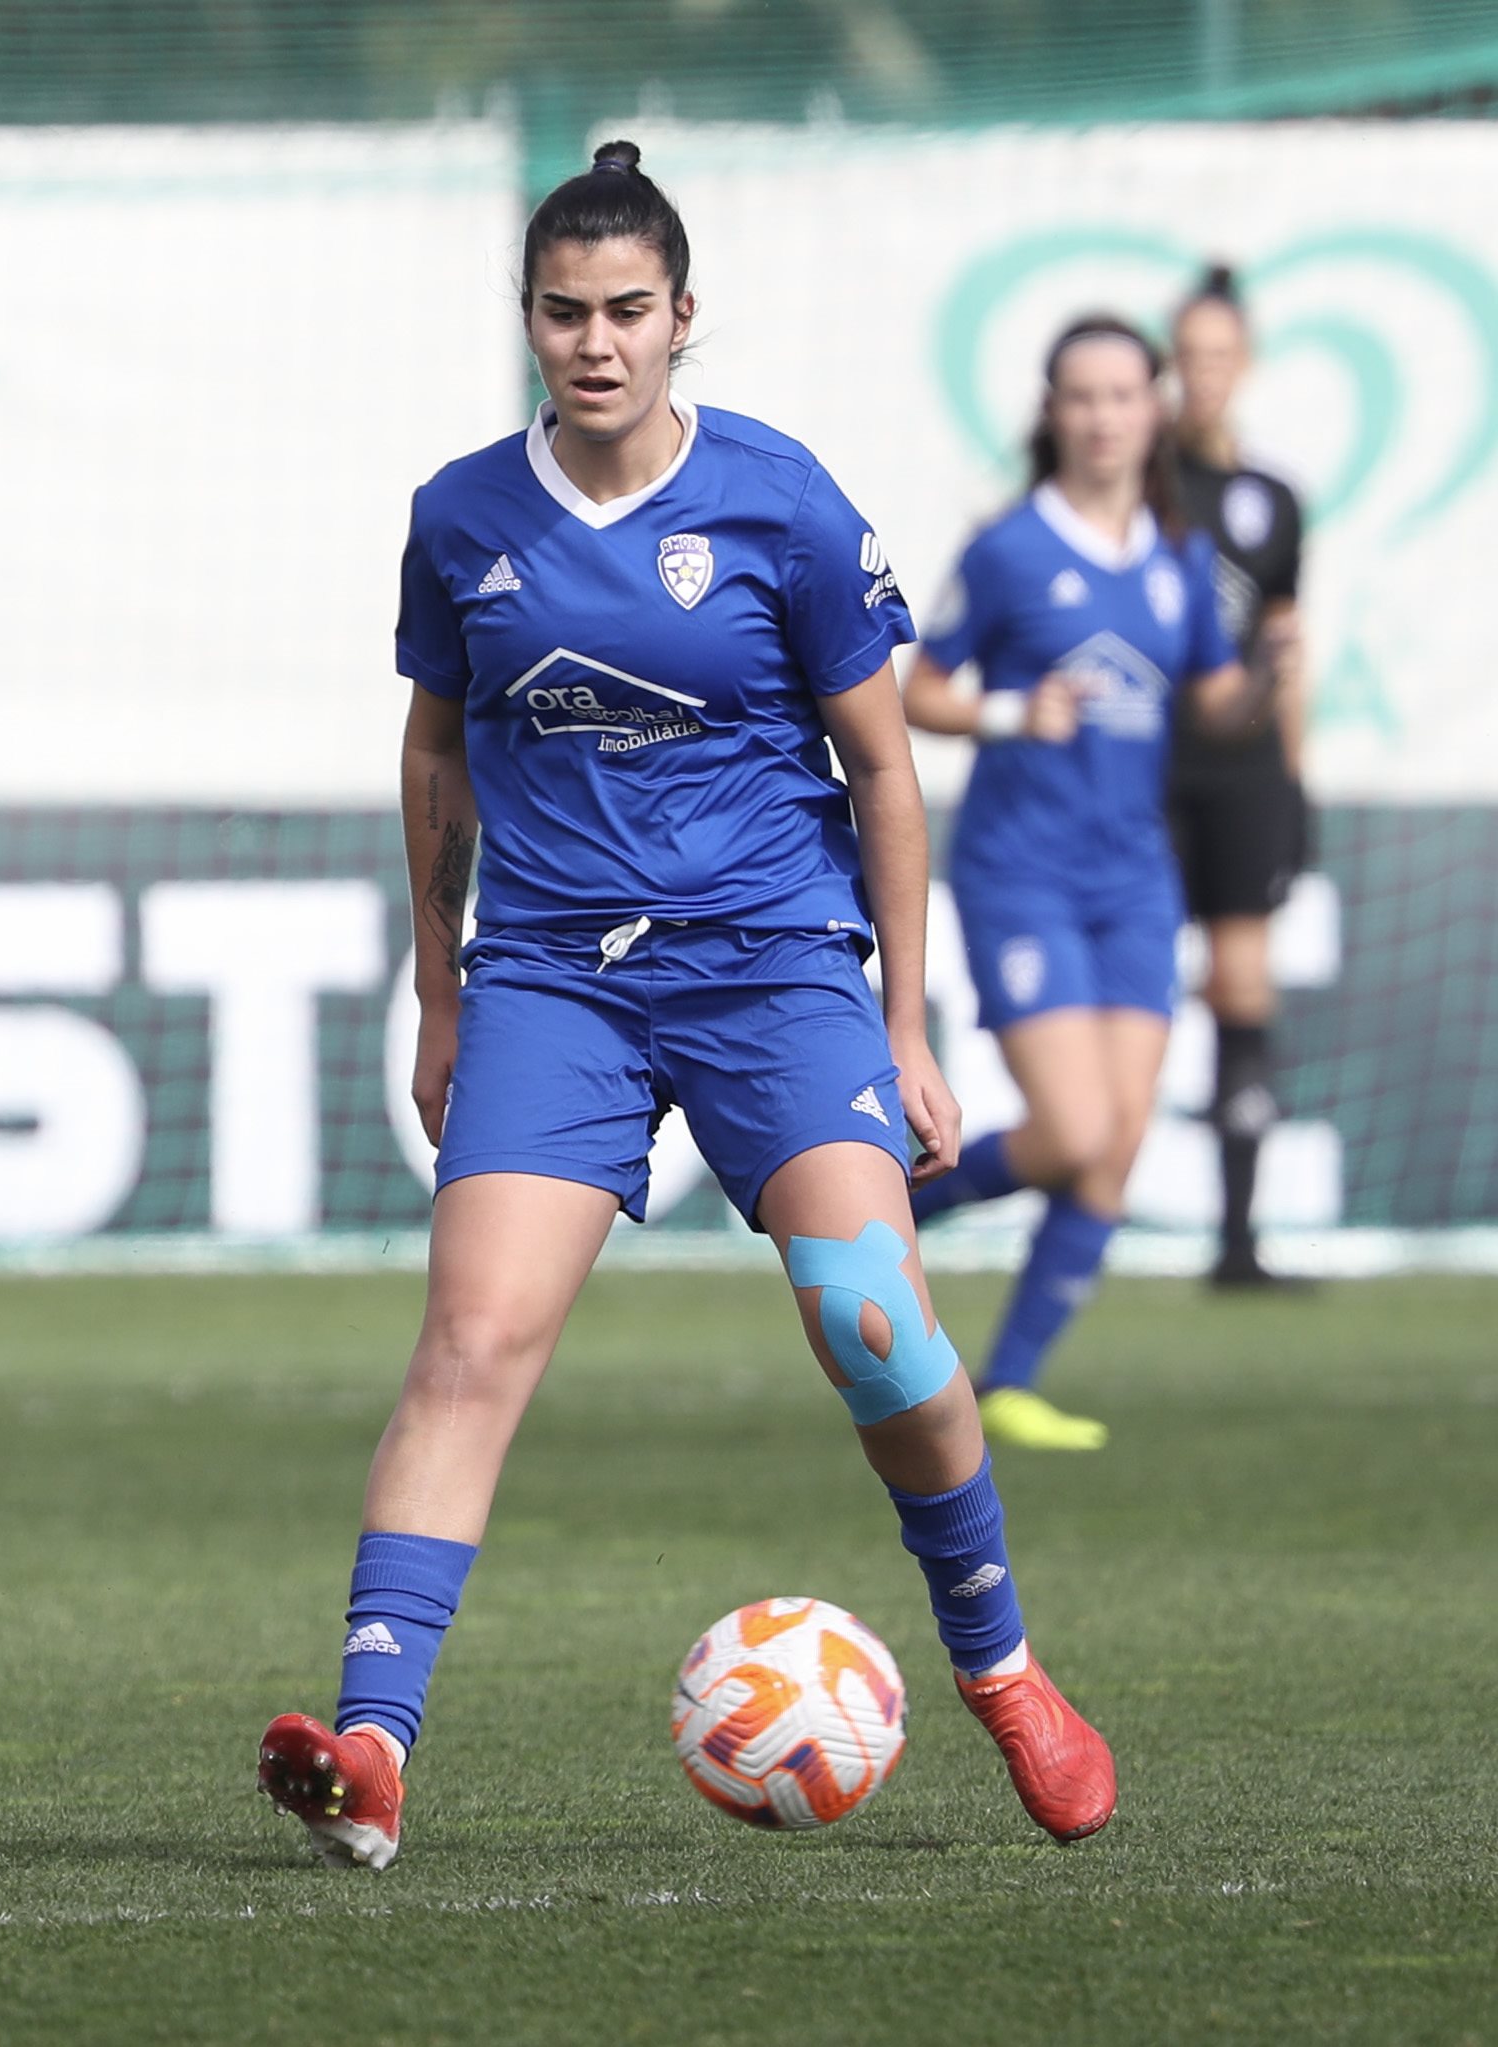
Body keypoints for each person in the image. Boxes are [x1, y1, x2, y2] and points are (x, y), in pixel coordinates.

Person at [253, 143, 1115, 1874]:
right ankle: (371, 1744)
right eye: (561, 312)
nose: (592, 343)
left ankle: (998, 1664)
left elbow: (880, 771)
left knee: (872, 1323)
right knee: (470, 1340)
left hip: (775, 968)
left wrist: (906, 1029)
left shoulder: (779, 502)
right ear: (524, 322)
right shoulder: (459, 516)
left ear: (679, 319)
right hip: (553, 981)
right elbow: (433, 753)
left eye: (625, 312)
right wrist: (441, 995)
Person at [902, 317, 1250, 1449]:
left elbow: (1207, 695)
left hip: (1134, 881)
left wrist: (1267, 674)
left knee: (1116, 1142)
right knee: (1072, 1126)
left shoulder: (1178, 554)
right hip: (1023, 874)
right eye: (1080, 396)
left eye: (1120, 395)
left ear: (1152, 410)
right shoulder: (1008, 548)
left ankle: (1006, 1381)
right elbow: (919, 689)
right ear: (1050, 413)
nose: (1102, 417)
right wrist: (1015, 711)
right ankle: (885, 1209)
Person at [1166, 265, 1309, 1287]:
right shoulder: (1134, 482)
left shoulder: (1273, 501)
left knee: (1238, 984)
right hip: (1144, 769)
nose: (1204, 376)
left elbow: (1283, 643)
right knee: (1127, 984)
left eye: (1220, 357)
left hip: (1242, 772)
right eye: (1189, 358)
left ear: (1243, 364)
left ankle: (1236, 1239)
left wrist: (1292, 780)